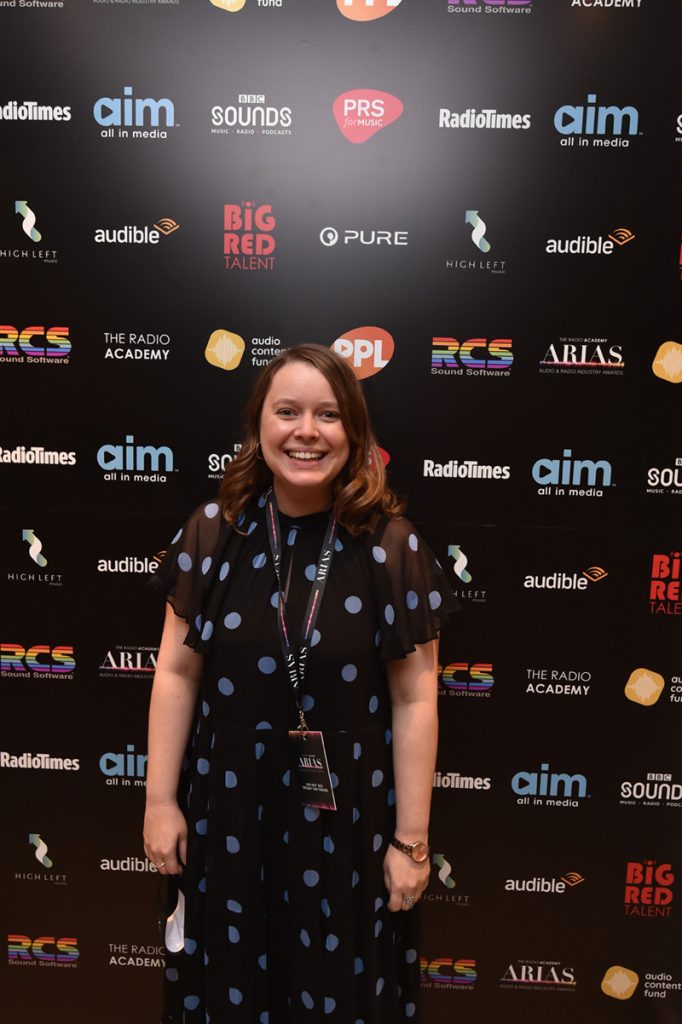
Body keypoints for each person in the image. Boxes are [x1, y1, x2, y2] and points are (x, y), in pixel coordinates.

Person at [144, 344, 458, 1024]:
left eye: (328, 415)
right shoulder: (212, 534)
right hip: (230, 808)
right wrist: (160, 802)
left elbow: (415, 699)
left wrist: (411, 842)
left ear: (355, 431)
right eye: (287, 412)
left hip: (349, 821)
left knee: (336, 988)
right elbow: (175, 672)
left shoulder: (390, 546)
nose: (306, 432)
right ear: (259, 424)